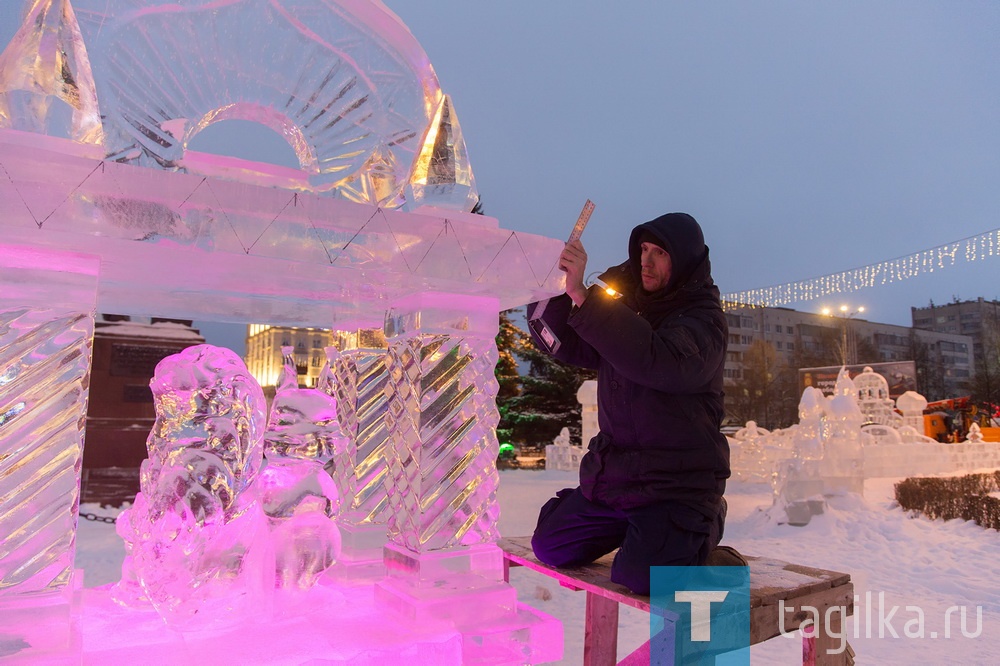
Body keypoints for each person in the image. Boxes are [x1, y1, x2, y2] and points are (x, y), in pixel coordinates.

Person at [527, 212, 730, 595]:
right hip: (617, 480)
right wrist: (553, 286)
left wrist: (586, 299)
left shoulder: (703, 321)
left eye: (660, 253)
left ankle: (703, 526)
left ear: (685, 260)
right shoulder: (628, 311)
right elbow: (564, 342)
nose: (646, 262)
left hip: (677, 485)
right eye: (643, 250)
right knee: (551, 546)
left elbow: (657, 360)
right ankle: (640, 533)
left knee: (640, 577)